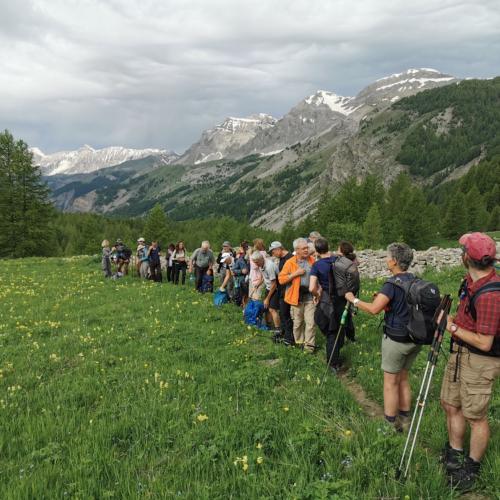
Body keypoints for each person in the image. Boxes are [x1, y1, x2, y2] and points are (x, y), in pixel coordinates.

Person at [439, 232, 499, 491]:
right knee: (451, 403)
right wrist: (451, 320)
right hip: (460, 354)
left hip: (480, 361)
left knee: (475, 415)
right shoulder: (470, 282)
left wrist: (450, 327)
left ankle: (471, 468)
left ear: (466, 258)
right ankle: (454, 452)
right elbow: (467, 320)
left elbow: (485, 342)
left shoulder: (490, 295)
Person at [345, 243, 421, 431]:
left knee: (390, 382)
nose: (386, 260)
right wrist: (383, 297)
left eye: (388, 257)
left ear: (394, 261)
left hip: (396, 339)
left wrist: (352, 299)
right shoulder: (415, 280)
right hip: (415, 338)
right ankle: (405, 418)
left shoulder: (391, 284)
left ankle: (389, 423)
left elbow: (373, 309)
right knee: (403, 378)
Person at [278, 238, 317, 352]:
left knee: (311, 323)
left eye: (307, 248)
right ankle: (299, 343)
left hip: (310, 296)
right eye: (304, 248)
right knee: (298, 323)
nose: (306, 250)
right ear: (297, 250)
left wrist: (317, 292)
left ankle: (309, 347)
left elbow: (317, 278)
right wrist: (295, 274)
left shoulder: (312, 260)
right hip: (296, 297)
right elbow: (281, 279)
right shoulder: (290, 262)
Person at [309, 238, 340, 371]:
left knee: (329, 331)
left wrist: (318, 295)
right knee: (338, 328)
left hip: (327, 300)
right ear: (328, 247)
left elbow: (311, 288)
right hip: (342, 298)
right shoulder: (338, 260)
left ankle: (332, 363)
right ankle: (335, 352)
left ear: (316, 250)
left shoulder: (317, 265)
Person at [270, 241, 294, 345]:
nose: (273, 254)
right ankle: (284, 335)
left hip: (288, 290)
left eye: (273, 251)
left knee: (286, 314)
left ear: (279, 249)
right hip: (281, 290)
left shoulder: (290, 258)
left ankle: (289, 339)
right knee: (283, 314)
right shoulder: (281, 259)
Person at [250, 251, 280, 336]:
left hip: (276, 289)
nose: (256, 264)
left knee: (272, 309)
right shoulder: (261, 265)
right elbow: (264, 277)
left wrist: (267, 298)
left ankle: (278, 330)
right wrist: (258, 284)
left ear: (261, 259)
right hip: (269, 288)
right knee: (266, 307)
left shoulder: (269, 266)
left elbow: (274, 284)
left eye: (256, 262)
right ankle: (268, 326)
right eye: (254, 262)